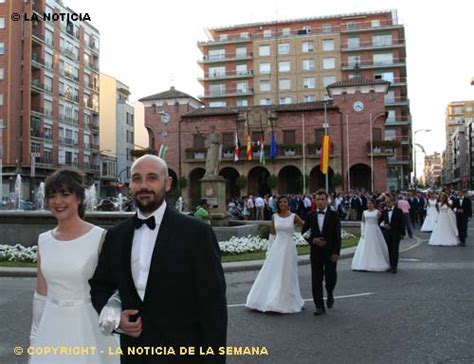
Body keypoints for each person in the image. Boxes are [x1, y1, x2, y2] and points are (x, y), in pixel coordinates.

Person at [89, 155, 227, 363]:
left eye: (152, 178)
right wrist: (117, 319)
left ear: (168, 183)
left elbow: (213, 306)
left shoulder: (197, 234)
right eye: (136, 179)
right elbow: (100, 286)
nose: (143, 185)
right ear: (130, 186)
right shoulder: (116, 236)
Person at [29, 168, 119, 363]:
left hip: (88, 325)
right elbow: (41, 295)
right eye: (52, 196)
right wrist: (35, 337)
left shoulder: (99, 237)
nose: (58, 201)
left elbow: (113, 287)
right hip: (50, 327)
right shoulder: (43, 240)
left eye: (65, 194)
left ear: (79, 198)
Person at [245, 195, 305, 313]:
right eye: (281, 202)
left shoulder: (294, 216)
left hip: (288, 247)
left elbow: (306, 226)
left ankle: (287, 299)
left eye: (285, 202)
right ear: (278, 204)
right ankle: (268, 299)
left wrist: (308, 237)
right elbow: (272, 234)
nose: (283, 204)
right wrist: (269, 250)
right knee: (273, 272)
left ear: (288, 204)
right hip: (277, 247)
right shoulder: (274, 217)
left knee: (287, 273)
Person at [302, 190, 341, 316]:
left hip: (330, 252)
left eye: (322, 199)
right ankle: (319, 306)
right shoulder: (310, 215)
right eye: (317, 199)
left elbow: (337, 235)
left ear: (327, 200)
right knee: (316, 280)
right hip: (316, 253)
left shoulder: (334, 215)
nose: (320, 202)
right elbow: (304, 233)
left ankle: (330, 293)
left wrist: (336, 252)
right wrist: (313, 240)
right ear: (315, 201)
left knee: (330, 278)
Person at [351, 199, 390, 272]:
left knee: (375, 245)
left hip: (375, 230)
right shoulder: (364, 212)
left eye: (370, 203)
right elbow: (362, 222)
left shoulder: (377, 212)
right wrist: (362, 232)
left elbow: (382, 220)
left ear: (373, 204)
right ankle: (363, 263)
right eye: (368, 204)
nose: (369, 205)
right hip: (367, 229)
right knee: (365, 246)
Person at [380, 195, 405, 273]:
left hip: (396, 233)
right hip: (387, 233)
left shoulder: (399, 211)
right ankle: (390, 265)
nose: (387, 204)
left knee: (395, 249)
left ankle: (394, 267)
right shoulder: (384, 211)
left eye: (389, 202)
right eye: (386, 202)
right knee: (389, 249)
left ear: (393, 202)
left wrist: (402, 233)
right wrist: (384, 225)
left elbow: (402, 222)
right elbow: (380, 221)